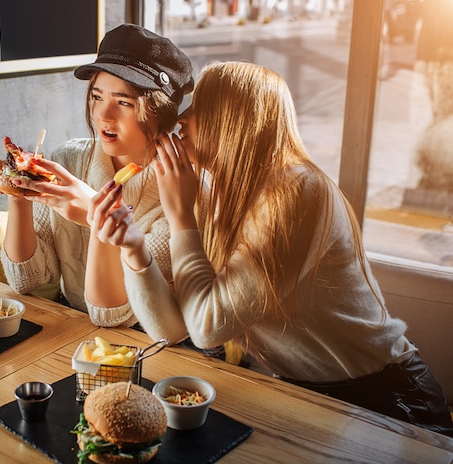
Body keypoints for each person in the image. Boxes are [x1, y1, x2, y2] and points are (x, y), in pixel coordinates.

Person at [88, 61, 453, 436]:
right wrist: (134, 250)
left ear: (232, 120)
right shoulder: (221, 194)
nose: (182, 118)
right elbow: (175, 329)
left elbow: (207, 328)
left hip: (385, 399)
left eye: (201, 107)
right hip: (308, 397)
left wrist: (181, 216)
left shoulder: (298, 191)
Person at [0, 24, 194, 327]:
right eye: (97, 96)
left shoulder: (184, 192)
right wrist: (20, 190)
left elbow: (114, 316)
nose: (104, 115)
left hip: (147, 344)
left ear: (161, 112)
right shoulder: (68, 159)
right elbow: (26, 279)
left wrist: (95, 215)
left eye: (124, 102)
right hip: (69, 328)